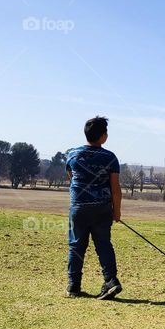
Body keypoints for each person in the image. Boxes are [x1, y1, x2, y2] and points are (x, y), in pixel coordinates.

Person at [65, 116, 123, 299]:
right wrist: (117, 211)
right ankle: (111, 281)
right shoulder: (110, 157)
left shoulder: (72, 155)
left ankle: (73, 286)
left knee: (76, 246)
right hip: (102, 208)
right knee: (104, 245)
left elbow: (71, 177)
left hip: (78, 208)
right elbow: (115, 189)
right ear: (104, 137)